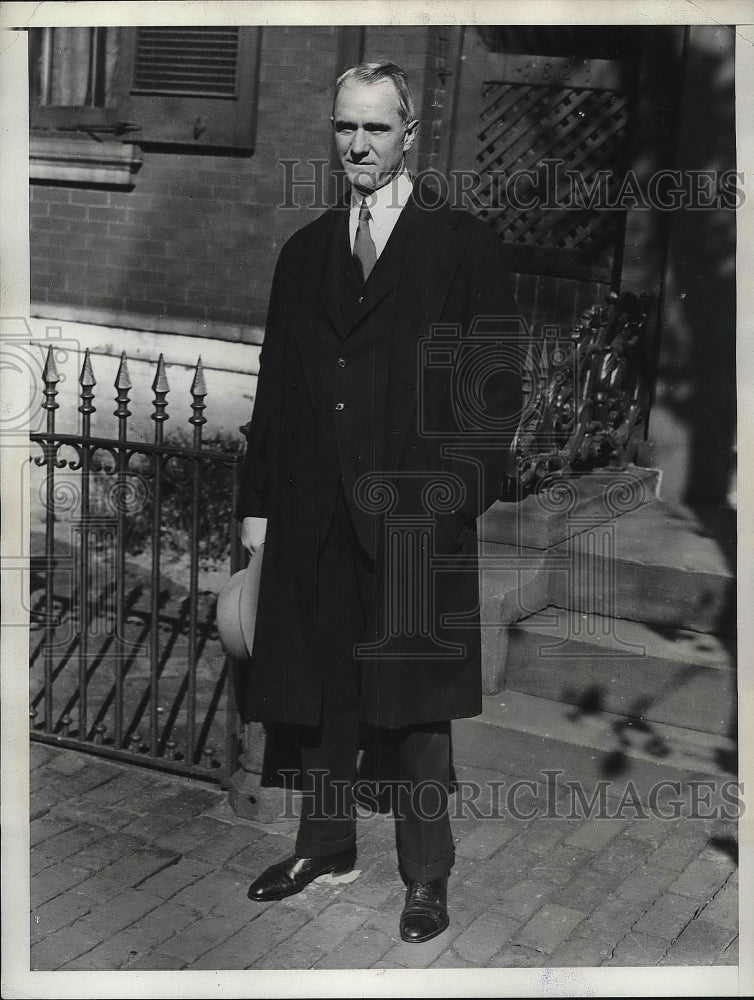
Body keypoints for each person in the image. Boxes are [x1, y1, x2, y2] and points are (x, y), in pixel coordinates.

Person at [236, 61, 522, 944]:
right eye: (344, 128)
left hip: (412, 517)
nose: (357, 145)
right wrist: (259, 508)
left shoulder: (462, 245)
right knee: (320, 690)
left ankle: (426, 877)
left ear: (410, 133)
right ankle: (325, 845)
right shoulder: (305, 251)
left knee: (415, 709)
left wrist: (448, 505)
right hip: (317, 513)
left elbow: (493, 396)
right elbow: (277, 390)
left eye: (375, 129)